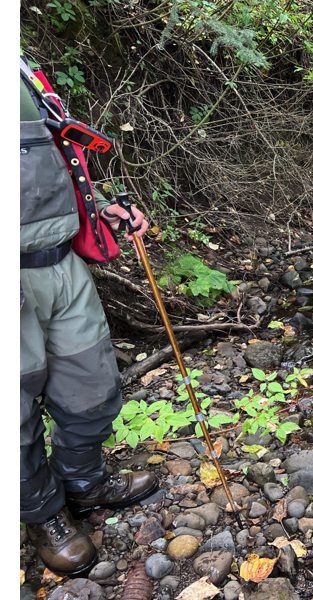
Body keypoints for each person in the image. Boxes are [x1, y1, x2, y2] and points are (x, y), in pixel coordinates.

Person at [20, 52, 157, 577]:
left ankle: (84, 481)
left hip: (62, 260)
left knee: (94, 383)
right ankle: (44, 513)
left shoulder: (23, 65)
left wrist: (98, 204)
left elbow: (54, 158)